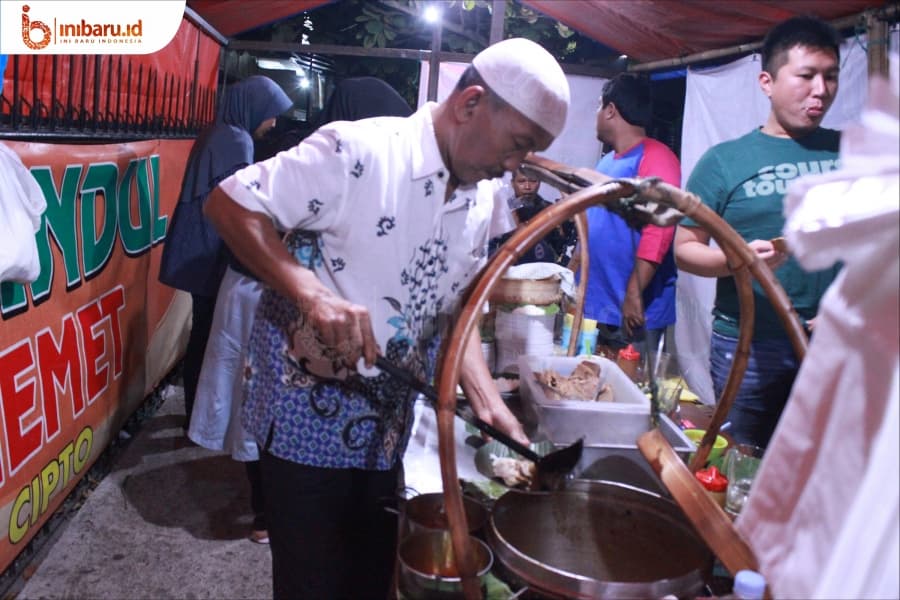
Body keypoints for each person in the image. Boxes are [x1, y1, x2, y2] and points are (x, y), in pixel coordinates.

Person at [203, 38, 569, 599]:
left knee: (371, 581)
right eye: (519, 144)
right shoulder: (359, 152)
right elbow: (229, 203)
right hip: (308, 426)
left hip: (387, 430)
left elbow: (455, 308)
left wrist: (489, 403)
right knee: (312, 587)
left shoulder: (478, 198)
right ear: (471, 103)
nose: (515, 166)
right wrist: (312, 295)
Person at [187, 77, 412, 546]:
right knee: (263, 404)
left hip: (282, 307)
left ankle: (279, 508)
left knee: (265, 406)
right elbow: (230, 208)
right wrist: (309, 289)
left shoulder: (367, 170)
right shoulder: (314, 159)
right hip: (262, 299)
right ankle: (267, 510)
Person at [674, 16, 843, 448]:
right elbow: (686, 250)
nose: (820, 90)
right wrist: (738, 260)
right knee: (743, 461)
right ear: (767, 81)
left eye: (830, 76)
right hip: (749, 345)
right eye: (806, 76)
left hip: (835, 341)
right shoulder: (724, 161)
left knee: (821, 465)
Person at [158, 76, 292, 428]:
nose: (273, 122)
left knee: (201, 329)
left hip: (195, 244)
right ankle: (197, 418)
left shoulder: (218, 132)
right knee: (207, 335)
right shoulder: (236, 141)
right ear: (255, 108)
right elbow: (236, 204)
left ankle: (193, 413)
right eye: (271, 114)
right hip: (208, 250)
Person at [575, 73, 680, 356]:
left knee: (630, 390)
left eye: (599, 106)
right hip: (599, 305)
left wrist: (634, 292)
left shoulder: (656, 156)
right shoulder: (608, 161)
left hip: (631, 310)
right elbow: (596, 221)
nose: (596, 114)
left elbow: (660, 228)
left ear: (610, 110)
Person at [489, 166, 574, 264]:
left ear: (539, 183)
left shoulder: (551, 211)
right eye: (521, 181)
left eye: (533, 181)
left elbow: (561, 247)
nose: (527, 187)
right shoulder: (501, 211)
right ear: (512, 183)